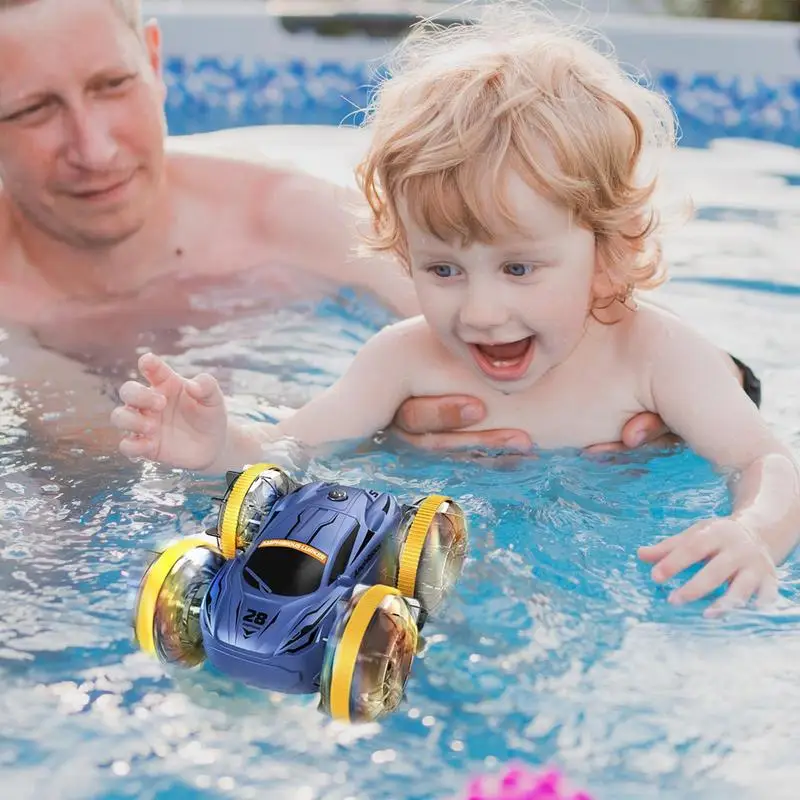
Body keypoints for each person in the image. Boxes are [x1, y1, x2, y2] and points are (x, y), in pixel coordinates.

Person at [112, 6, 799, 615]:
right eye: (443, 269)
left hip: (610, 580)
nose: (479, 311)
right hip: (463, 570)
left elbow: (765, 460)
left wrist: (752, 533)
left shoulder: (653, 355)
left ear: (608, 252)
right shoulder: (402, 360)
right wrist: (217, 446)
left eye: (519, 268)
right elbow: (291, 450)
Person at [0, 0, 755, 455]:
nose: (93, 148)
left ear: (155, 59)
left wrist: (683, 395)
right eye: (33, 110)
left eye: (113, 85)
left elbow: (546, 279)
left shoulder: (288, 219)